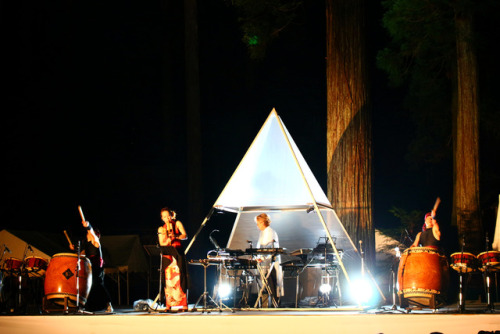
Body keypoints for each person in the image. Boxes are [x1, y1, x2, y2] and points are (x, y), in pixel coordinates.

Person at [71, 219, 113, 313]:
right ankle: (89, 306)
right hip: (89, 265)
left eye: (91, 232)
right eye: (88, 232)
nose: (89, 233)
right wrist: (75, 250)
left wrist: (89, 225)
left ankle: (108, 304)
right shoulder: (86, 243)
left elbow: (92, 233)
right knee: (90, 285)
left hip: (97, 265)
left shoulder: (95, 241)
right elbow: (81, 255)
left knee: (99, 284)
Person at [157, 207, 188, 311]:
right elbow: (162, 243)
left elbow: (185, 235)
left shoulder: (177, 223)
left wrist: (176, 236)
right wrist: (168, 239)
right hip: (168, 254)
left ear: (171, 215)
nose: (167, 218)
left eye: (168, 216)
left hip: (177, 252)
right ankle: (168, 305)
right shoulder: (161, 229)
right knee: (168, 278)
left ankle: (184, 304)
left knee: (181, 276)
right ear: (162, 218)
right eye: (164, 216)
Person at [254, 213, 283, 308]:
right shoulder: (262, 233)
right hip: (264, 263)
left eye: (258, 223)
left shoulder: (270, 232)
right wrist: (256, 257)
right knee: (266, 284)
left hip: (271, 263)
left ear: (262, 222)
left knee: (272, 284)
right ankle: (267, 304)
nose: (257, 225)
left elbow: (269, 249)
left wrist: (261, 258)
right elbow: (260, 249)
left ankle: (275, 305)